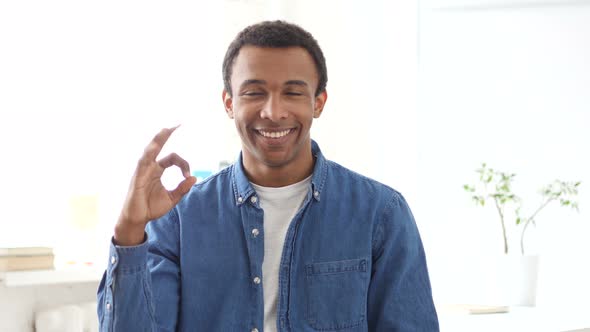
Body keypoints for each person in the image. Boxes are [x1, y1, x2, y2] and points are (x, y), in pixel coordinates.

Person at [97, 20, 439, 332]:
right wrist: (129, 232)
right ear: (229, 103)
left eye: (292, 92)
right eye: (254, 92)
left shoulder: (381, 214)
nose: (273, 112)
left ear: (318, 102)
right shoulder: (179, 220)